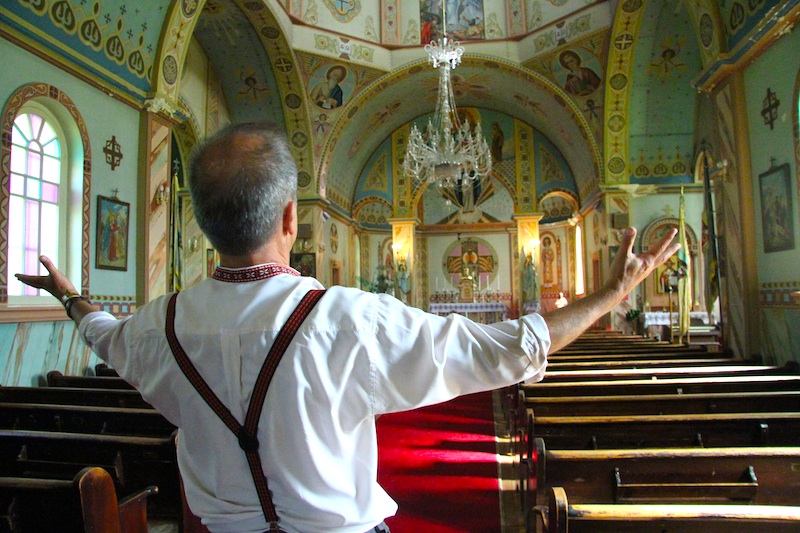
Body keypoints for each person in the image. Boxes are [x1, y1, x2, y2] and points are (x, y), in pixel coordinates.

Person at [16, 121, 679, 533]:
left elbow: (103, 331)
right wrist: (613, 292)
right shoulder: (348, 319)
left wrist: (70, 296)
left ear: (204, 225)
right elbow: (511, 349)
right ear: (288, 219)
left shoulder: (157, 326)